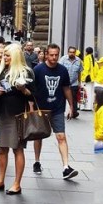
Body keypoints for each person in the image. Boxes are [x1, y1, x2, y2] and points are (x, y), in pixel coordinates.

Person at [0, 43, 34, 194]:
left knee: (17, 149)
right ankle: (0, 180)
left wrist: (24, 89)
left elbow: (34, 96)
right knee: (2, 149)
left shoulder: (26, 72)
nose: (4, 58)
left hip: (18, 115)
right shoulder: (1, 72)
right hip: (3, 114)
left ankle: (17, 184)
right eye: (4, 55)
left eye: (7, 55)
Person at [32, 44, 79, 179]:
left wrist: (71, 106)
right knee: (38, 136)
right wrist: (31, 108)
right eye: (51, 55)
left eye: (56, 55)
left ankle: (66, 167)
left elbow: (66, 89)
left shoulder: (62, 70)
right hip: (41, 108)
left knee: (61, 137)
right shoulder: (38, 70)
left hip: (57, 108)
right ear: (46, 54)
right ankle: (37, 161)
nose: (54, 57)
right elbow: (32, 90)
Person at [59, 46, 83, 117]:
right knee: (62, 98)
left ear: (75, 53)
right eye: (70, 52)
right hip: (64, 83)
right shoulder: (63, 59)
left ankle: (73, 112)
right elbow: (59, 70)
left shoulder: (78, 60)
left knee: (73, 99)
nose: (71, 54)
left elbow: (79, 72)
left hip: (74, 83)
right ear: (68, 52)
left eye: (73, 52)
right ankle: (60, 112)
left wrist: (79, 82)